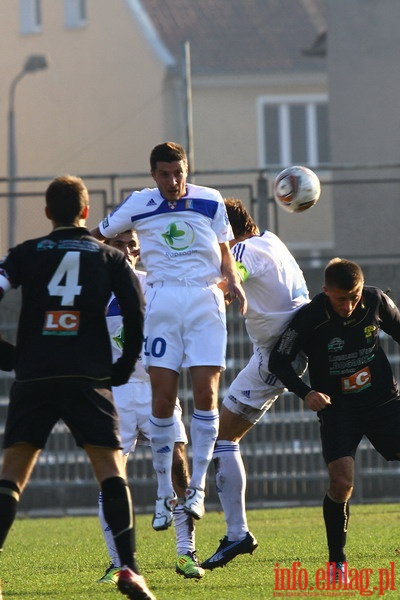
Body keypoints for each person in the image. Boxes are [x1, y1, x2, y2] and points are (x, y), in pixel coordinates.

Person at [0, 175, 156, 600]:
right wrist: (121, 366)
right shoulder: (110, 257)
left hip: (35, 374)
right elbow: (135, 313)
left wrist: (9, 355)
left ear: (48, 213)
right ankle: (129, 569)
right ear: (86, 213)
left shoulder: (25, 253)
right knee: (111, 470)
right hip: (88, 375)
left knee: (12, 475)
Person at [91, 141, 246, 530]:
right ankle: (164, 493)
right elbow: (98, 234)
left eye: (179, 173)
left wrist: (232, 280)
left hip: (204, 299)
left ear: (187, 170)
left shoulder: (210, 201)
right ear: (153, 174)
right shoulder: (139, 203)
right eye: (164, 174)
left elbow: (226, 250)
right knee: (163, 397)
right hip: (160, 300)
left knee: (208, 395)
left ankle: (196, 489)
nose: (173, 181)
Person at [268, 257, 400, 582]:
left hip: (383, 401)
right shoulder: (310, 318)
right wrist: (305, 392)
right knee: (342, 484)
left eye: (354, 296)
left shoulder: (376, 300)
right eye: (342, 298)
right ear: (326, 291)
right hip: (339, 410)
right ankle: (337, 564)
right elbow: (278, 360)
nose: (350, 304)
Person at [201, 198, 309, 570]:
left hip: (276, 356)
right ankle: (236, 533)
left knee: (223, 437)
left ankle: (237, 535)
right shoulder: (271, 240)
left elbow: (228, 284)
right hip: (288, 346)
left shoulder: (244, 250)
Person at [97, 230, 204, 581]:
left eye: (132, 245)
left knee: (178, 467)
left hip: (159, 390)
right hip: (118, 396)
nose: (127, 251)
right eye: (119, 244)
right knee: (112, 477)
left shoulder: (155, 287)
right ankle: (118, 562)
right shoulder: (93, 293)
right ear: (106, 249)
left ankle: (186, 554)